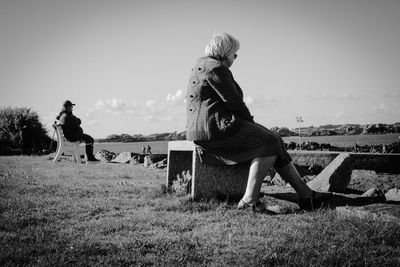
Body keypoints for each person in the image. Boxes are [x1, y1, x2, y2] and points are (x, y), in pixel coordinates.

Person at [186, 32, 331, 212]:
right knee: (269, 141)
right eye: (234, 54)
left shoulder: (201, 65)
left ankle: (306, 194)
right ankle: (250, 200)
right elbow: (234, 102)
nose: (235, 58)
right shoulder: (216, 68)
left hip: (207, 128)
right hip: (216, 128)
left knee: (275, 139)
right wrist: (251, 123)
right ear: (225, 52)